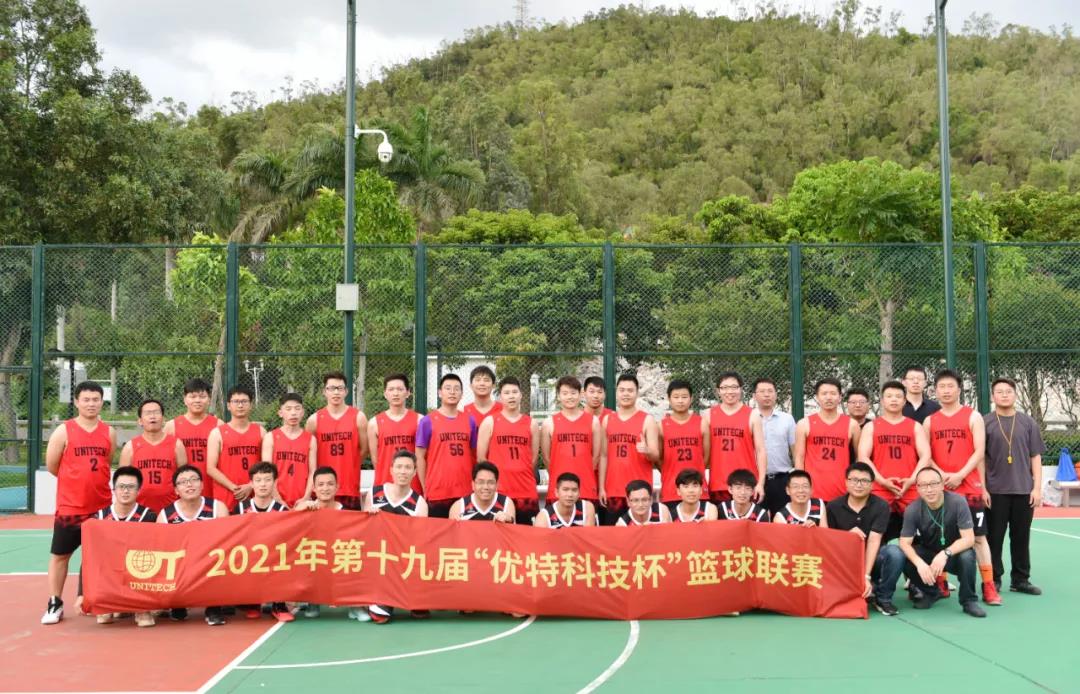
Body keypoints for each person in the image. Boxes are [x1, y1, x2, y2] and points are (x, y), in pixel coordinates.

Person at [42, 381, 117, 625]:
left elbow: (107, 462)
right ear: (76, 402)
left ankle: (94, 600)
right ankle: (55, 602)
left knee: (97, 557)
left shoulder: (109, 432)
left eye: (96, 399)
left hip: (101, 507)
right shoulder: (64, 431)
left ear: (102, 401)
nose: (91, 404)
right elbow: (52, 465)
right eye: (86, 399)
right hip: (71, 507)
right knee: (60, 555)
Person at [923, 369, 999, 605]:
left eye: (950, 386)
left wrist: (960, 475)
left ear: (959, 389)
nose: (946, 391)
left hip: (969, 488)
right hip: (941, 488)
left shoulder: (973, 416)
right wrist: (942, 475)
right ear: (935, 391)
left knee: (978, 538)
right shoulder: (930, 421)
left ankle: (988, 586)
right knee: (941, 537)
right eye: (941, 387)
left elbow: (979, 451)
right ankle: (941, 582)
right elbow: (926, 454)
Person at [984, 377, 1045, 596]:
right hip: (995, 491)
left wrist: (1036, 488)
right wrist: (982, 488)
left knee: (1021, 537)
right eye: (999, 392)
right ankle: (994, 579)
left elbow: (1035, 457)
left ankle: (1020, 579)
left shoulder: (1028, 423)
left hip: (1023, 490)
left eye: (1008, 391)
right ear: (993, 396)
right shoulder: (985, 422)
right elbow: (980, 458)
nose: (1004, 395)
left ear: (1015, 395)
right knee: (994, 538)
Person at [898, 468, 986, 618]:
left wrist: (945, 553)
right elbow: (904, 542)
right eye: (924, 485)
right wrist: (920, 564)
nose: (929, 489)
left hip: (953, 554)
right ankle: (932, 592)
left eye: (933, 484)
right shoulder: (912, 509)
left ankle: (968, 601)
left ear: (942, 485)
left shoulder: (958, 502)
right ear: (917, 488)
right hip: (929, 554)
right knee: (904, 556)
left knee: (967, 555)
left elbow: (969, 539)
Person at [857, 380, 931, 542]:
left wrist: (912, 480)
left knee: (920, 536)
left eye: (898, 396)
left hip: (910, 487)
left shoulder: (915, 426)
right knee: (875, 536)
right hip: (880, 488)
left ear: (904, 401)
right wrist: (882, 481)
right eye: (889, 396)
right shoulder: (871, 426)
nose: (894, 400)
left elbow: (926, 456)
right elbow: (863, 457)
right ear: (882, 401)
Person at [826, 462, 904, 616]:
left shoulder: (881, 506)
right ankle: (864, 589)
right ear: (846, 482)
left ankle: (883, 598)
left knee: (895, 553)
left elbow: (874, 540)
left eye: (864, 481)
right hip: (845, 563)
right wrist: (847, 536)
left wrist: (866, 576)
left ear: (872, 485)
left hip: (872, 560)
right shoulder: (833, 506)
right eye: (854, 480)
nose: (859, 485)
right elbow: (829, 541)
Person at [157, 465, 230, 625]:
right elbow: (163, 548)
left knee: (222, 557)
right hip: (181, 563)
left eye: (194, 480)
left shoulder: (218, 508)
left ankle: (214, 606)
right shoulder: (165, 515)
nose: (189, 484)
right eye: (183, 482)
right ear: (176, 490)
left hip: (210, 560)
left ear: (202, 485)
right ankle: (178, 603)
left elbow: (226, 541)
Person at [365, 451, 429, 624]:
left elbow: (419, 541)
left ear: (414, 472)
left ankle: (413, 594)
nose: (403, 471)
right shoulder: (374, 494)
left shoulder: (419, 504)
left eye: (408, 467)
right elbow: (364, 533)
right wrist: (369, 516)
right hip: (379, 562)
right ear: (391, 470)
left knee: (420, 611)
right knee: (380, 617)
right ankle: (379, 597)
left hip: (404, 562)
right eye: (399, 467)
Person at [89, 466, 158, 627]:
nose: (126, 491)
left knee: (148, 559)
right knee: (104, 618)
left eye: (131, 487)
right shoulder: (99, 517)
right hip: (110, 574)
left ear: (139, 490)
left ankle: (142, 607)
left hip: (137, 570)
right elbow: (90, 557)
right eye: (121, 487)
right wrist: (82, 593)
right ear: (113, 489)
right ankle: (112, 602)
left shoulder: (149, 516)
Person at [230, 462, 292, 622]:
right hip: (249, 558)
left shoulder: (282, 511)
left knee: (284, 557)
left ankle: (279, 604)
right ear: (251, 483)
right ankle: (252, 602)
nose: (263, 484)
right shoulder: (240, 509)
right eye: (258, 480)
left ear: (275, 482)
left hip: (274, 558)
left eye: (267, 480)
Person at [600, 373, 660, 525]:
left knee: (641, 535)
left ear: (637, 393)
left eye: (630, 390)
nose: (626, 394)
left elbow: (656, 455)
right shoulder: (608, 420)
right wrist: (601, 487)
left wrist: (647, 450)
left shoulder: (647, 420)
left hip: (639, 493)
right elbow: (603, 456)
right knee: (613, 536)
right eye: (622, 390)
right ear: (616, 392)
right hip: (614, 489)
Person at [477, 377, 539, 525]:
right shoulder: (490, 422)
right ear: (500, 397)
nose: (511, 396)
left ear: (521, 395)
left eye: (514, 392)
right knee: (499, 535)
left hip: (525, 491)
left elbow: (533, 458)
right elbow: (481, 458)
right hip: (500, 492)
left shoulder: (531, 423)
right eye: (507, 393)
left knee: (527, 535)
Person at [416, 373, 477, 518]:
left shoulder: (470, 421)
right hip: (437, 492)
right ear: (439, 393)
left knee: (464, 532)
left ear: (462, 393)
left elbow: (474, 454)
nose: (452, 392)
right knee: (438, 532)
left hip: (465, 491)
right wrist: (425, 487)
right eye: (448, 388)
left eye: (456, 389)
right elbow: (419, 457)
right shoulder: (427, 421)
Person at [292, 467, 348, 619]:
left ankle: (355, 606)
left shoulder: (347, 512)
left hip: (337, 557)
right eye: (321, 485)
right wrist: (301, 508)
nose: (325, 488)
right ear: (314, 488)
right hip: (314, 558)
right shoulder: (306, 507)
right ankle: (313, 601)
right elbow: (288, 525)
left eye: (330, 484)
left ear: (337, 487)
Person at [306, 372, 368, 509]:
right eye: (331, 388)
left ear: (346, 391)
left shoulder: (358, 417)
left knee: (351, 523)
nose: (336, 392)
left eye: (340, 388)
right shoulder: (314, 420)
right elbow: (309, 455)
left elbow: (364, 449)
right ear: (324, 391)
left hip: (349, 486)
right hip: (323, 489)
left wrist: (350, 464)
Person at [703, 371, 766, 505]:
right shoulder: (708, 415)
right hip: (718, 484)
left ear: (741, 389)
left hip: (746, 485)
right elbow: (704, 453)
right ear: (718, 391)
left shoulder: (753, 415)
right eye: (725, 388)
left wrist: (760, 483)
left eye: (734, 387)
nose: (729, 391)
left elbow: (761, 451)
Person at [795, 378, 861, 504]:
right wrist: (800, 487)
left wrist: (855, 482)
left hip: (842, 491)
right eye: (824, 394)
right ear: (817, 397)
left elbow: (859, 458)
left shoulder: (852, 425)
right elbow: (799, 458)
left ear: (840, 397)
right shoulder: (804, 424)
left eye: (833, 393)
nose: (829, 397)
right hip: (813, 492)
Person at [540, 376, 602, 510]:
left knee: (587, 522)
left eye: (573, 393)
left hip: (586, 487)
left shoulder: (593, 421)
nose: (569, 397)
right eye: (565, 393)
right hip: (558, 489)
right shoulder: (549, 423)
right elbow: (546, 458)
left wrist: (583, 470)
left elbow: (596, 457)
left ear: (580, 394)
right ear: (558, 396)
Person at [119, 399, 185, 512]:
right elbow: (122, 481)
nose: (152, 416)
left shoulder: (176, 444)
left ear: (163, 419)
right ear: (140, 421)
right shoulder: (130, 447)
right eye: (148, 413)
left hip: (171, 508)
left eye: (156, 412)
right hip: (138, 509)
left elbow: (184, 477)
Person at [659, 379, 708, 512]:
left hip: (698, 490)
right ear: (669, 399)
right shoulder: (661, 426)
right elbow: (659, 459)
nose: (680, 401)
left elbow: (706, 457)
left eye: (684, 397)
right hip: (671, 490)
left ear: (691, 399)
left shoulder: (702, 423)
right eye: (676, 397)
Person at [367, 373, 420, 493]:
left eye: (400, 389)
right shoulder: (374, 423)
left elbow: (422, 457)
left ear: (408, 393)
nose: (395, 393)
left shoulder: (419, 420)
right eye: (391, 389)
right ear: (385, 394)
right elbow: (376, 460)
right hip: (384, 485)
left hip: (412, 486)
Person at [752, 377, 797, 515]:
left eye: (770, 391)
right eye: (762, 391)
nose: (767, 395)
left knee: (782, 520)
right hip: (755, 480)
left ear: (776, 394)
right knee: (757, 520)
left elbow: (795, 451)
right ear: (754, 396)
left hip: (782, 480)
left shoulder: (787, 419)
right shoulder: (748, 418)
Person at [262, 393, 315, 508]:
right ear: (280, 413)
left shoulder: (311, 439)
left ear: (302, 412)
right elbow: (266, 472)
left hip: (301, 500)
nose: (293, 413)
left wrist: (306, 497)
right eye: (288, 409)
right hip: (275, 499)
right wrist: (277, 498)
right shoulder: (270, 437)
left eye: (297, 408)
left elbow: (313, 471)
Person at [164, 377, 218, 475]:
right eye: (193, 397)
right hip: (183, 481)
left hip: (212, 481)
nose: (197, 400)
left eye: (202, 396)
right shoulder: (171, 426)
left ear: (209, 399)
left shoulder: (218, 425)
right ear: (185, 400)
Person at [450, 461, 515, 522]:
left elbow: (513, 529)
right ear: (473, 484)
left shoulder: (506, 503)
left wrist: (509, 520)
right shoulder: (459, 506)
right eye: (481, 482)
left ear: (497, 485)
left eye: (491, 482)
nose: (486, 487)